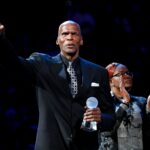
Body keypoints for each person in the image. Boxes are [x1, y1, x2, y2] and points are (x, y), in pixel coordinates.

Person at [0, 21, 115, 150]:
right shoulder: (41, 64)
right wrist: (2, 41)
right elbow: (15, 66)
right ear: (57, 40)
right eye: (65, 34)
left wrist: (102, 118)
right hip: (50, 144)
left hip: (85, 146)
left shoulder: (98, 72)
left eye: (74, 34)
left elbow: (110, 116)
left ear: (81, 40)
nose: (69, 37)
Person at [100, 62, 150, 150]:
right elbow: (108, 132)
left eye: (128, 73)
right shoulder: (104, 103)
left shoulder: (141, 101)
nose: (127, 76)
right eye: (121, 74)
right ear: (110, 81)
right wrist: (125, 103)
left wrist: (149, 111)